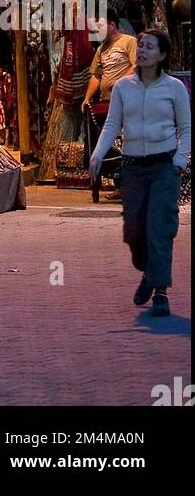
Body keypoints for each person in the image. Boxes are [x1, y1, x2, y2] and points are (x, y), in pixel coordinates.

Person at [89, 29, 191, 317]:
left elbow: (186, 128)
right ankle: (148, 272)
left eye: (148, 47)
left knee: (160, 227)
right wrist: (97, 156)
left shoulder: (175, 88)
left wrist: (181, 159)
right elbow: (111, 126)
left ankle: (160, 292)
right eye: (141, 45)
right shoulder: (123, 87)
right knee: (134, 232)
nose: (142, 50)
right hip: (133, 167)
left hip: (164, 166)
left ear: (162, 55)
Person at [82, 8, 138, 197]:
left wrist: (122, 81)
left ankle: (129, 185)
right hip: (106, 102)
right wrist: (87, 98)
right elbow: (96, 77)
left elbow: (136, 66)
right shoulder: (101, 49)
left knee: (127, 143)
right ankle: (118, 185)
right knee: (108, 144)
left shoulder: (129, 42)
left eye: (100, 26)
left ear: (112, 24)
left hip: (127, 101)